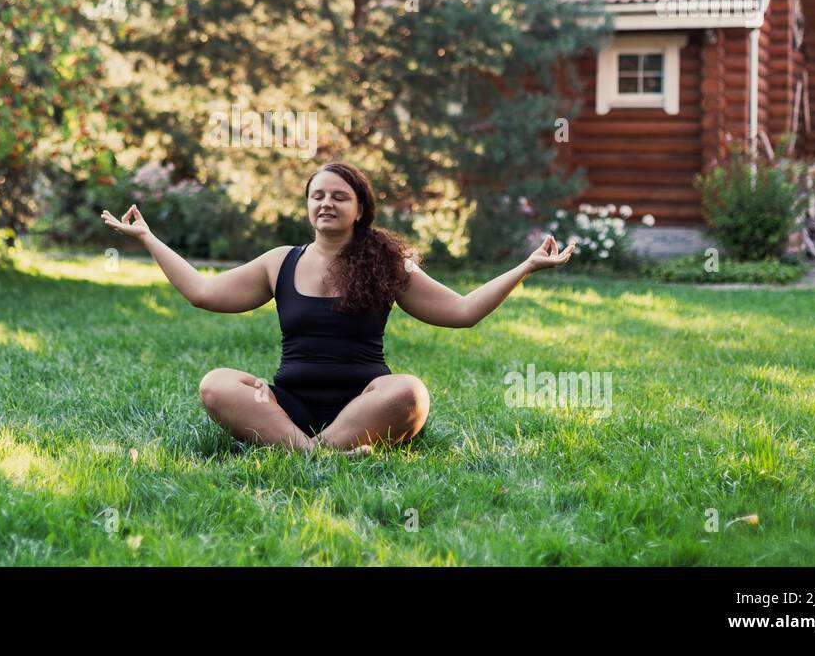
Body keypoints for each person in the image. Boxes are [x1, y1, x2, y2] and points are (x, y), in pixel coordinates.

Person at [101, 161, 575, 456]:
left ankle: (308, 452)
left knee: (409, 392)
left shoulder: (389, 264)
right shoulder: (278, 262)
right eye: (318, 195)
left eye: (339, 196)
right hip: (286, 407)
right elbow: (203, 294)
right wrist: (148, 238)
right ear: (307, 205)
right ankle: (316, 451)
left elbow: (464, 310)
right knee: (217, 384)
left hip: (365, 405)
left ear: (360, 209)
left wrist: (525, 267)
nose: (326, 203)